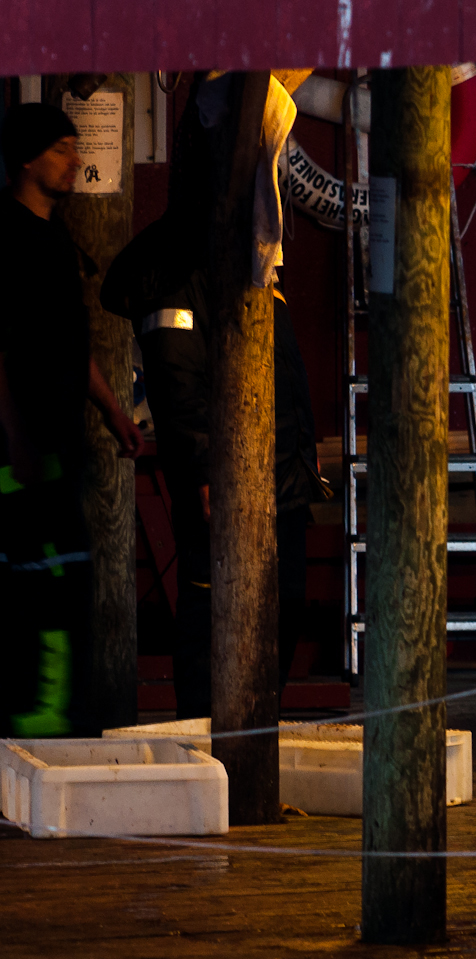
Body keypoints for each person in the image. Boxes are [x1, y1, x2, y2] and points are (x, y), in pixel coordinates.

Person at [102, 211, 326, 718]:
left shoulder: (250, 261)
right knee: (212, 617)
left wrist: (301, 454)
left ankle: (255, 736)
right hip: (225, 488)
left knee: (283, 607)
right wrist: (203, 474)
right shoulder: (174, 272)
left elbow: (285, 368)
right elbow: (176, 381)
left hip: (282, 479)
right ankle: (207, 743)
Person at [0, 103, 142, 737]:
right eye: (62, 148)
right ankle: (36, 730)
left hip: (60, 443)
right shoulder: (5, 236)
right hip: (19, 454)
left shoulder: (56, 239)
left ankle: (65, 726)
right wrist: (15, 438)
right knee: (39, 586)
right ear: (28, 159)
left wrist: (112, 411)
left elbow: (68, 343)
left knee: (69, 578)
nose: (76, 160)